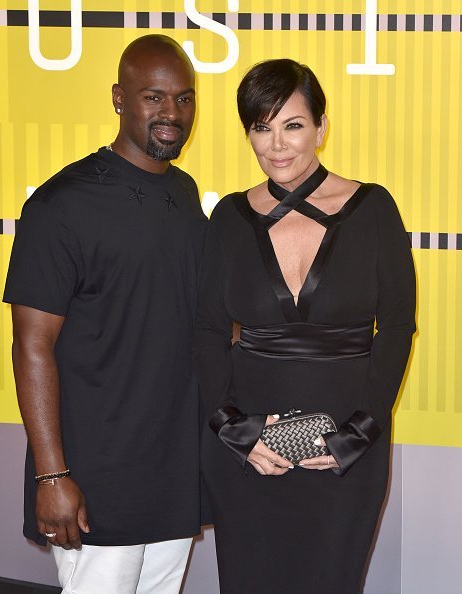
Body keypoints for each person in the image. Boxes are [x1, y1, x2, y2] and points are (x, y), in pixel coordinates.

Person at [196, 59, 416, 594]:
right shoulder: (228, 217)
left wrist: (360, 432)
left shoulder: (373, 209)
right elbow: (206, 333)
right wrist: (233, 428)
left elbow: (398, 327)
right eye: (261, 126)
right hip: (251, 449)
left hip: (346, 454)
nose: (277, 144)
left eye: (292, 124)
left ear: (320, 126)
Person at [3, 35, 207, 594]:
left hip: (170, 468)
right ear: (119, 98)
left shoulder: (186, 196)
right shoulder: (60, 204)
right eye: (154, 97)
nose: (172, 113)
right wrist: (52, 476)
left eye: (184, 99)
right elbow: (31, 345)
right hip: (94, 474)